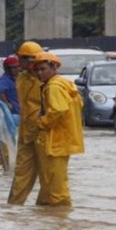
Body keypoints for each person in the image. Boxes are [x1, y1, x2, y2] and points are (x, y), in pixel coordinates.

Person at [32, 51, 84, 206]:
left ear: (53, 67)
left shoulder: (53, 87)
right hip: (63, 139)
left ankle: (59, 221)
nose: (40, 73)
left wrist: (42, 123)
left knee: (56, 188)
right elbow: (79, 104)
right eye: (37, 70)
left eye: (43, 69)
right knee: (50, 184)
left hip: (56, 141)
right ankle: (45, 215)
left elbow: (58, 110)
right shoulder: (65, 84)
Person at [7, 41, 44, 205]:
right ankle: (14, 207)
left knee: (50, 177)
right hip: (27, 132)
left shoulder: (47, 79)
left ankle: (51, 212)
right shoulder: (22, 78)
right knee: (21, 173)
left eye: (20, 59)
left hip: (45, 133)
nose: (17, 62)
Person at [0, 56, 21, 168]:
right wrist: (7, 103)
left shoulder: (20, 78)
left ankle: (5, 165)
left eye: (18, 67)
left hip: (19, 113)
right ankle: (6, 166)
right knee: (7, 143)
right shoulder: (5, 80)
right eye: (13, 68)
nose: (16, 69)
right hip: (10, 116)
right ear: (7, 69)